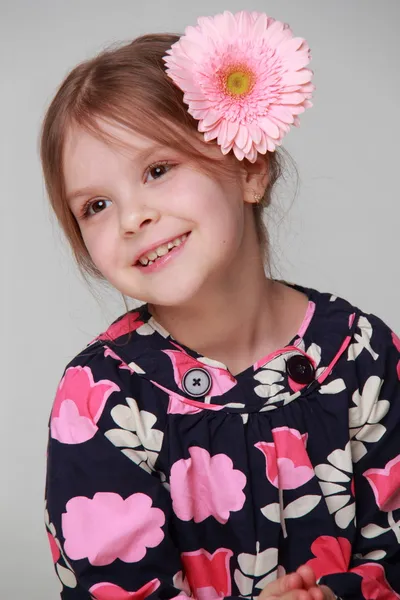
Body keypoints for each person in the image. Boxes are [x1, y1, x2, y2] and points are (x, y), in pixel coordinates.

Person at [41, 9, 400, 600]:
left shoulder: (362, 353)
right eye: (96, 206)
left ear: (249, 169)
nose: (133, 218)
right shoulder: (101, 395)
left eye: (158, 169)